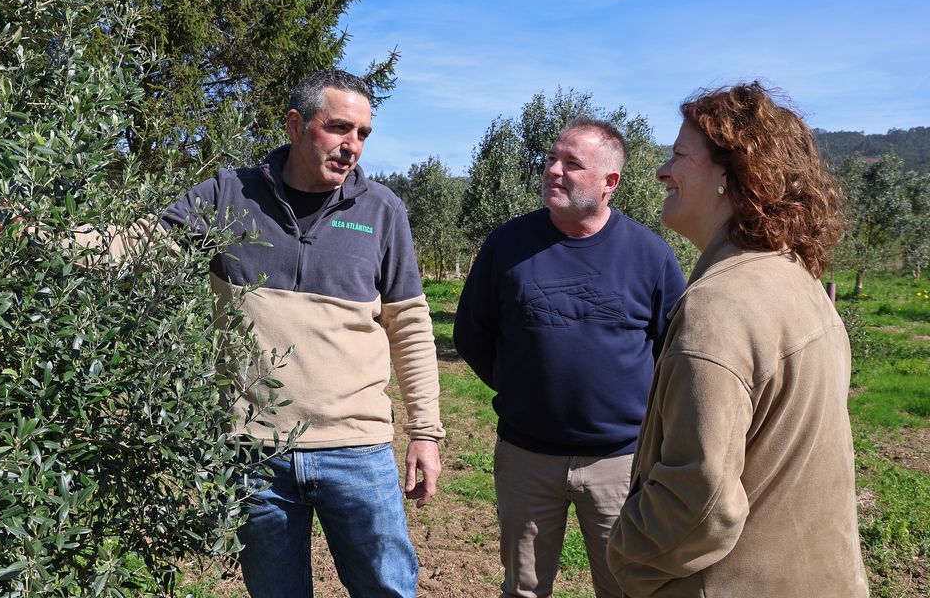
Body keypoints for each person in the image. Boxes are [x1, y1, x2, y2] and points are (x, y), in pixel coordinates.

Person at [156, 69, 444, 597]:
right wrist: (38, 233)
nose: (352, 146)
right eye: (339, 128)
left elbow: (409, 324)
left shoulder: (382, 210)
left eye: (362, 133)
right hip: (255, 451)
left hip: (357, 448)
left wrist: (425, 431)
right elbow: (143, 249)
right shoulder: (229, 194)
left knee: (387, 589)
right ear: (295, 124)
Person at [607, 83, 867, 597]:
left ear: (732, 173)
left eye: (679, 155)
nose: (662, 171)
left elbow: (699, 503)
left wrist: (625, 554)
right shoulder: (799, 281)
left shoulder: (719, 308)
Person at [454, 118, 687, 598]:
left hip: (620, 463)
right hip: (526, 458)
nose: (553, 171)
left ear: (609, 183)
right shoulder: (508, 244)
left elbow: (676, 353)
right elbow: (472, 333)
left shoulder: (650, 255)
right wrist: (520, 388)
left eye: (571, 163)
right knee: (522, 589)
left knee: (627, 588)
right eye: (551, 159)